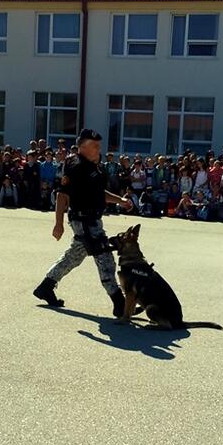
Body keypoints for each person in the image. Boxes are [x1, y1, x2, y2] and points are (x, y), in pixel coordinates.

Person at [33, 129, 133, 316]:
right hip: (84, 220)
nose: (98, 149)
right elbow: (62, 194)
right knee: (104, 257)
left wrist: (120, 201)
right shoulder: (75, 165)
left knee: (74, 256)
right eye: (95, 145)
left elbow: (99, 194)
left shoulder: (92, 166)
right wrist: (58, 223)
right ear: (83, 147)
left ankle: (46, 286)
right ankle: (119, 302)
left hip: (91, 219)